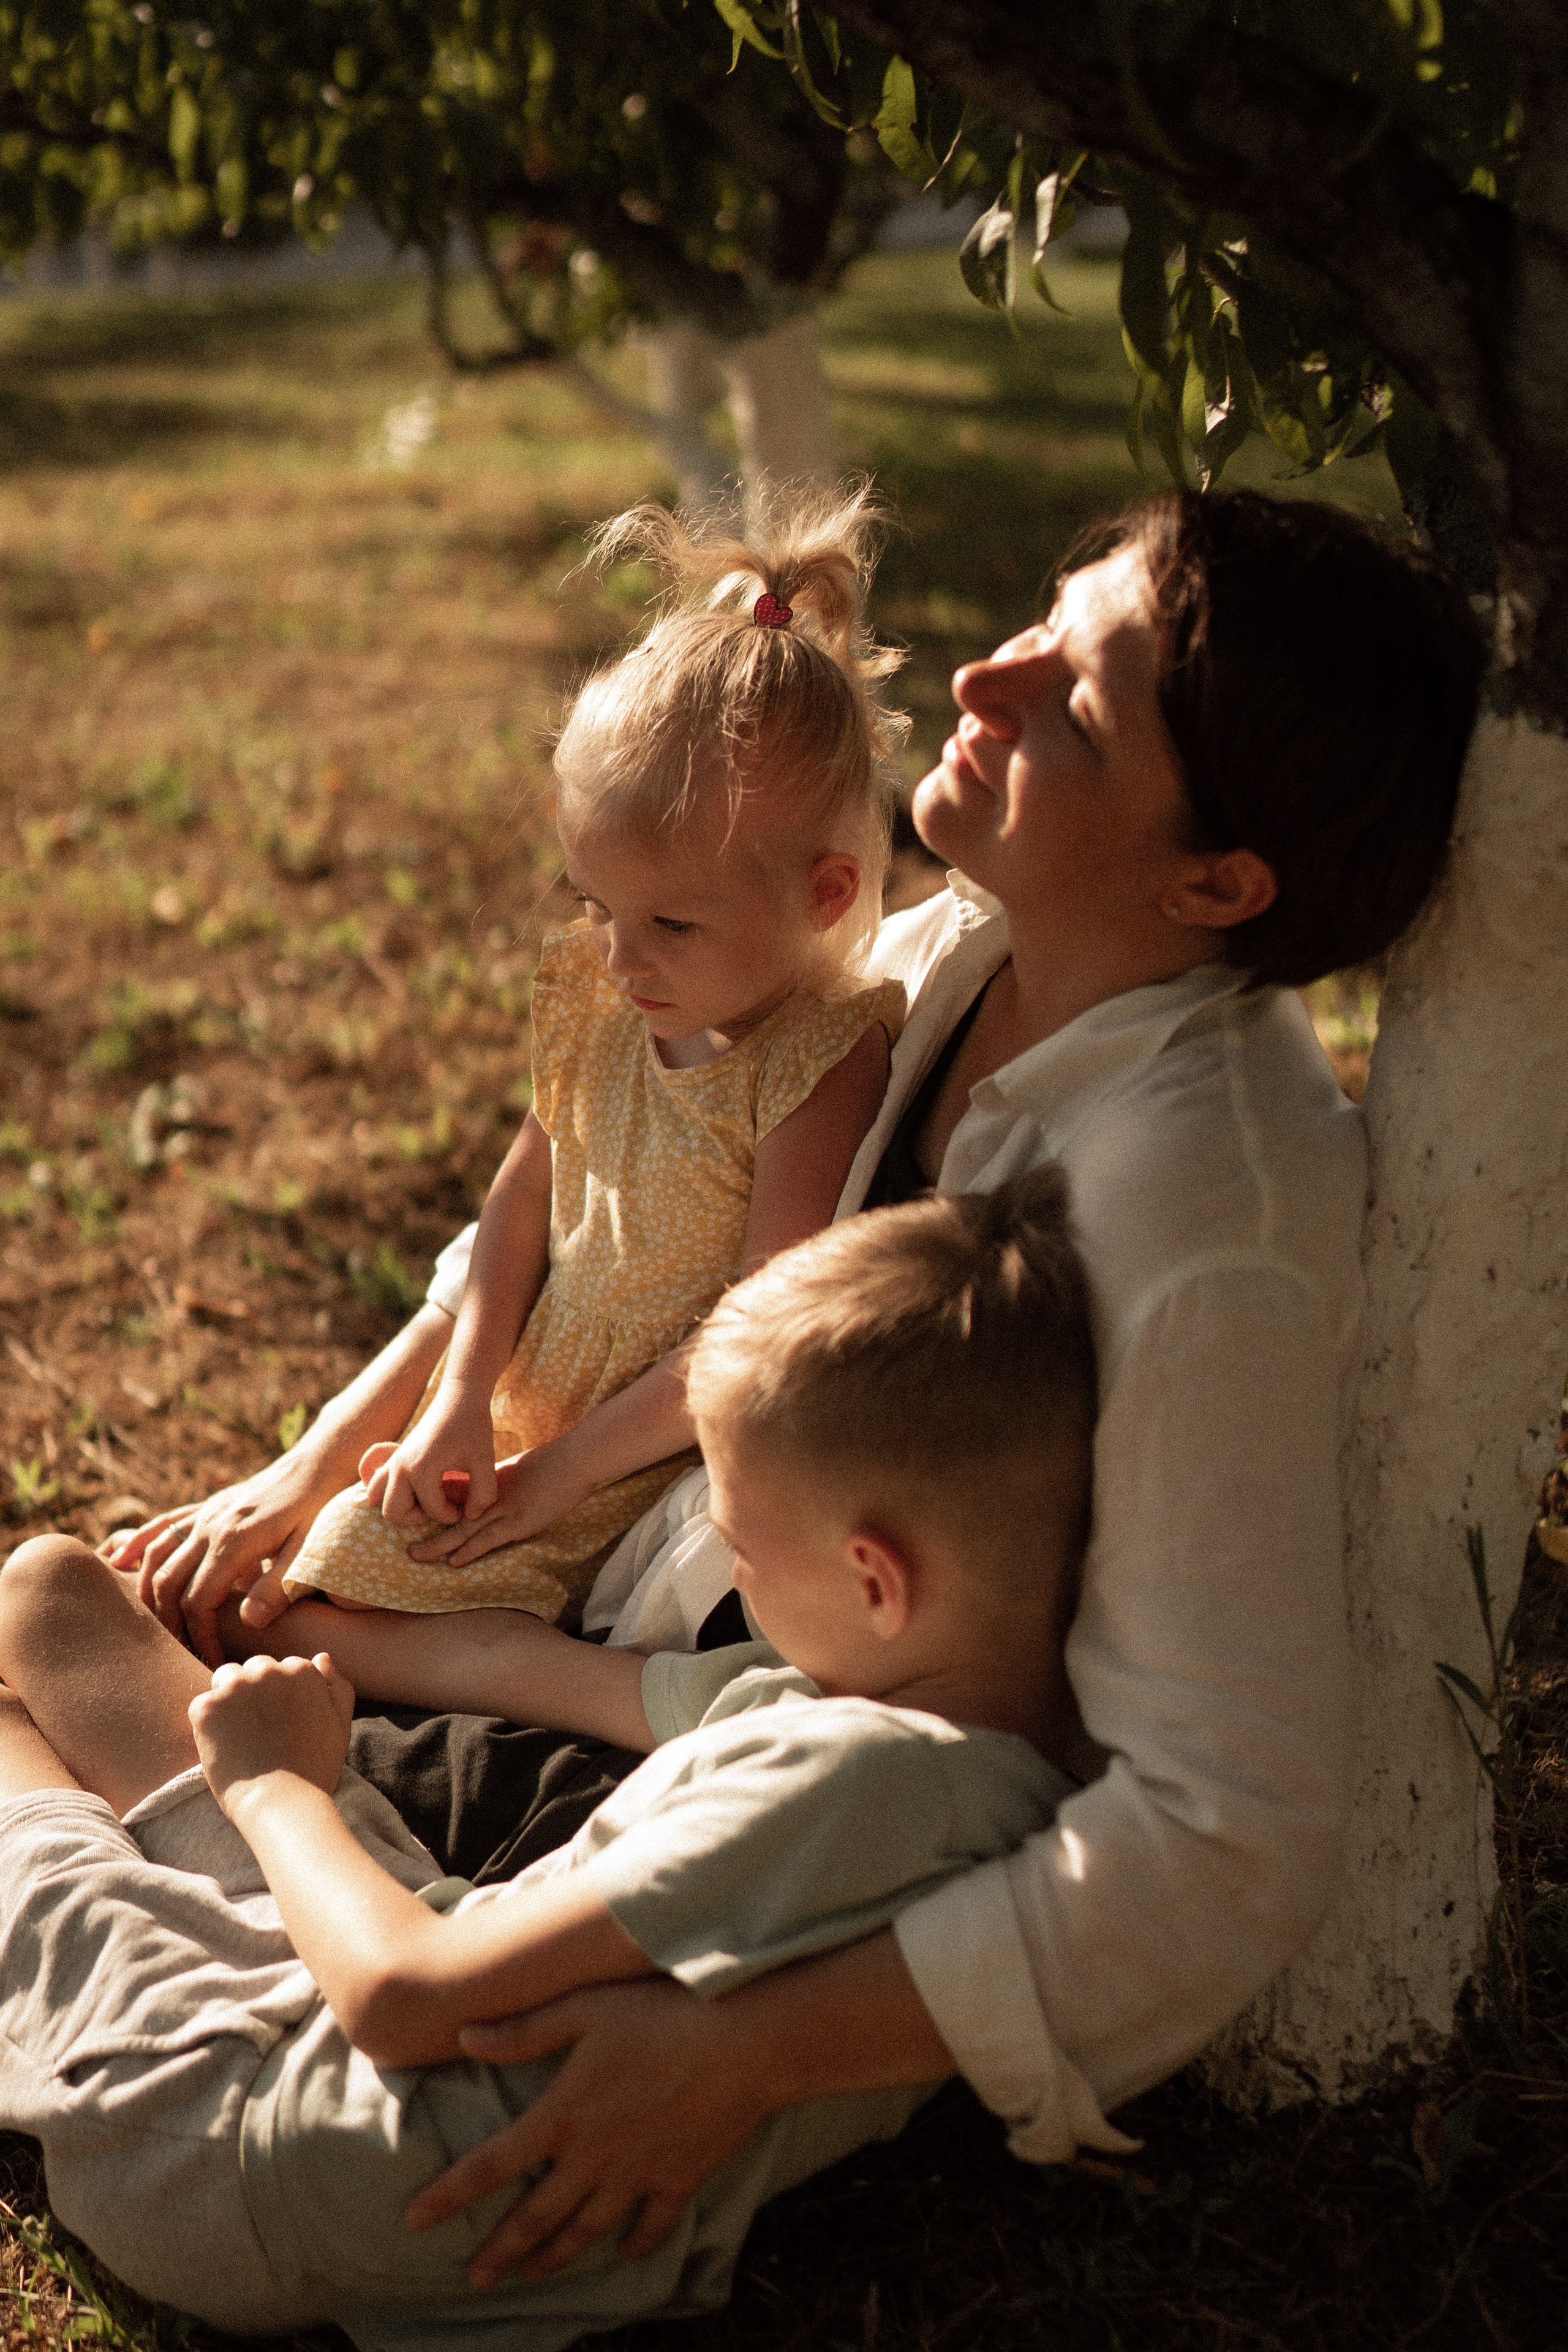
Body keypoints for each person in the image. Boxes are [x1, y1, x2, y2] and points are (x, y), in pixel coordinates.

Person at [111, 486, 1485, 2285]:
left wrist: (753, 2050)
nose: (982, 677)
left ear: (1218, 881)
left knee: (168, 1817)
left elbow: (1228, 1830)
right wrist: (306, 1469)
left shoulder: (1202, 1205)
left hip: (710, 1772)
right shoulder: (936, 957)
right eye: (1037, 620)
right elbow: (581, 1211)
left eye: (1073, 704)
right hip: (589, 1626)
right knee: (100, 1639)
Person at [0, 1172, 1093, 2340]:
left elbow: (404, 2000)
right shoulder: (990, 1774)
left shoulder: (858, 1778)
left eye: (740, 1546)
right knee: (52, 1594)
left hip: (262, 2140)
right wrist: (280, 1641)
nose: (735, 1578)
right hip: (395, 1946)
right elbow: (519, 1683)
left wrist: (274, 1786)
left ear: (874, 1579)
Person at [273, 489, 905, 1626]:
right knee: (292, 1590)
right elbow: (523, 1197)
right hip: (519, 1406)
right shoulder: (608, 1000)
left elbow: (749, 1327)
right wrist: (461, 1394)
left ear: (826, 894)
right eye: (595, 905)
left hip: (629, 1460)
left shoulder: (815, 1060)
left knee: (321, 1611)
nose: (618, 957)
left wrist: (558, 1476)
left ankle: (563, 1678)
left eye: (671, 924)